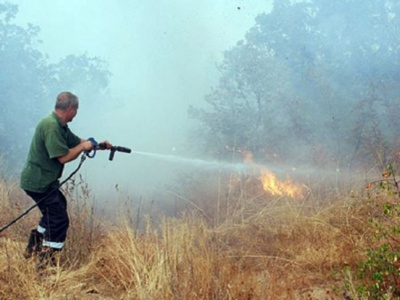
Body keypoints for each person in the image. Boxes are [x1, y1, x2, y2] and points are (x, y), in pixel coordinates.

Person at [20, 91, 111, 267]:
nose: (76, 114)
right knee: (59, 219)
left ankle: (33, 249)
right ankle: (46, 265)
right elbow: (63, 157)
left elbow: (75, 142)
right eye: (76, 110)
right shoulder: (51, 126)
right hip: (38, 182)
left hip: (43, 181)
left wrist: (98, 145)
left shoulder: (59, 125)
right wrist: (83, 147)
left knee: (56, 208)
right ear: (70, 109)